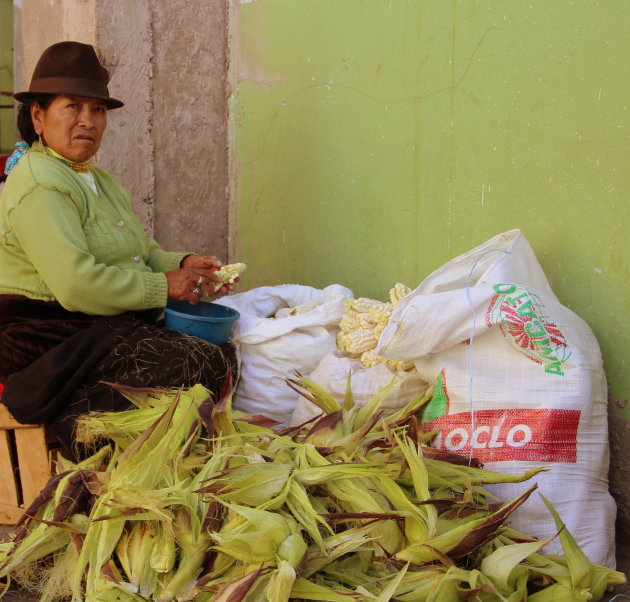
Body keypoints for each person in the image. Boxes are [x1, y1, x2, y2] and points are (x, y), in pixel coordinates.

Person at [0, 41, 238, 458]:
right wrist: (163, 286)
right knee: (196, 363)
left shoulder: (97, 179)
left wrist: (184, 265)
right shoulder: (39, 182)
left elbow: (139, 252)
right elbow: (76, 285)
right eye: (72, 107)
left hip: (95, 325)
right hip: (42, 337)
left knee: (222, 354)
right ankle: (81, 429)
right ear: (38, 116)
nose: (87, 121)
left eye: (98, 110)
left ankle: (127, 441)